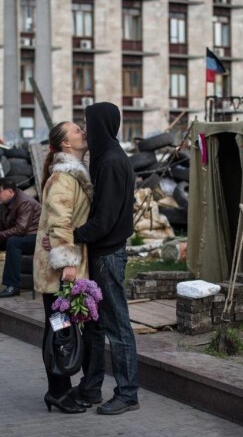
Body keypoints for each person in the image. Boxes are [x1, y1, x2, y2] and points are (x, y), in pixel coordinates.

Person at [69, 102, 139, 415]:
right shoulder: (105, 157)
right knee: (95, 326)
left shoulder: (111, 162)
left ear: (101, 124)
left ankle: (127, 393)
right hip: (102, 254)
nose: (85, 129)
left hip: (107, 256)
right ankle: (92, 386)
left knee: (117, 326)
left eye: (87, 123)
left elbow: (105, 219)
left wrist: (73, 235)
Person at [33, 121, 92, 414]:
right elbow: (59, 220)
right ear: (66, 144)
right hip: (59, 271)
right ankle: (57, 391)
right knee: (59, 328)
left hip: (62, 267)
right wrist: (67, 262)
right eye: (76, 130)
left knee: (61, 326)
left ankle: (61, 388)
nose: (82, 131)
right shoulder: (62, 178)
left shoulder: (74, 175)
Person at [0, 178, 41, 297]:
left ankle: (13, 286)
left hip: (35, 236)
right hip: (22, 235)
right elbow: (1, 222)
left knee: (13, 242)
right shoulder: (5, 203)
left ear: (10, 192)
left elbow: (21, 229)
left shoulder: (25, 202)